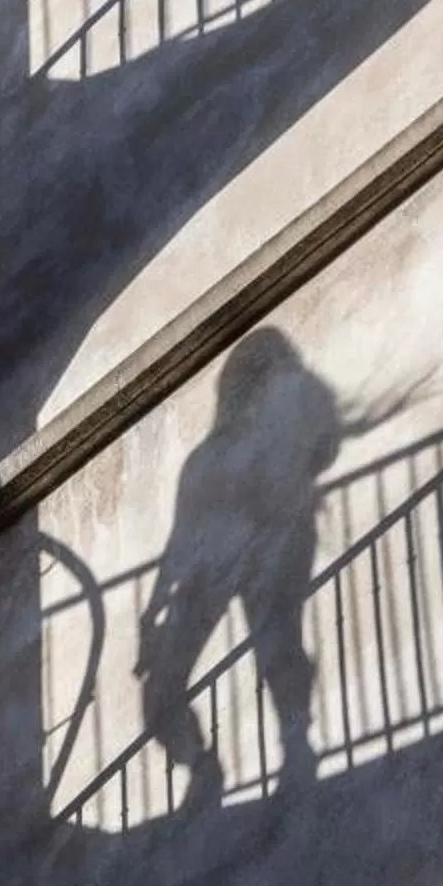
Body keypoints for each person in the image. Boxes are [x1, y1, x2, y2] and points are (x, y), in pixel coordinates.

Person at [135, 328, 342, 805]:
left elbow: (317, 454)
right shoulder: (205, 459)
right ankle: (204, 768)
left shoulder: (269, 445)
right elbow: (179, 542)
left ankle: (296, 750)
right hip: (209, 573)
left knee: (278, 651)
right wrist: (153, 611)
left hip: (263, 558)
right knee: (163, 690)